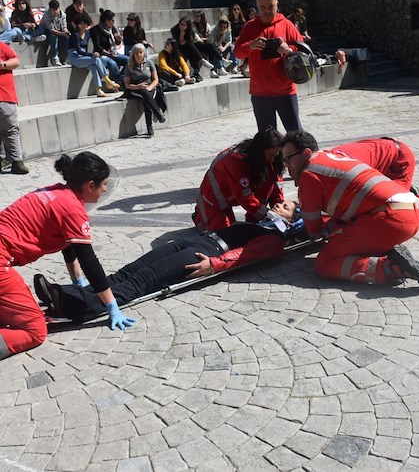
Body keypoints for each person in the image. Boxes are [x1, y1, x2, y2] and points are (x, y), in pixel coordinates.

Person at [33, 200, 303, 324]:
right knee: (127, 272)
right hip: (197, 241)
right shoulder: (260, 223)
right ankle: (71, 293)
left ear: (292, 220)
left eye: (287, 207)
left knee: (142, 282)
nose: (279, 204)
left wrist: (215, 265)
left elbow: (246, 255)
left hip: (204, 254)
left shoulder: (275, 238)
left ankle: (71, 303)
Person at [0, 152, 136, 360]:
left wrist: (78, 282)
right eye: (104, 184)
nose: (106, 189)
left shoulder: (57, 192)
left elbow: (69, 245)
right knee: (34, 330)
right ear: (90, 185)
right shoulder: (72, 209)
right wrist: (112, 306)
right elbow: (89, 261)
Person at [281, 130, 419, 291]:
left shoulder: (309, 175)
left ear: (306, 153)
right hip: (410, 212)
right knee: (347, 239)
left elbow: (315, 231)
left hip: (391, 220)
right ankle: (388, 254)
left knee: (325, 262)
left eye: (289, 159)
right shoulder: (333, 157)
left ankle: (391, 269)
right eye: (284, 161)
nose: (287, 166)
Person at [234, 0, 304, 132]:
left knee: (296, 135)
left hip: (285, 92)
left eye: (271, 6)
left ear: (277, 5)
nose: (267, 10)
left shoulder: (287, 25)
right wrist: (250, 45)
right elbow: (238, 53)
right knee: (268, 141)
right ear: (257, 7)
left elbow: (303, 52)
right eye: (263, 7)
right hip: (260, 94)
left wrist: (288, 50)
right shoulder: (249, 27)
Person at [328, 137, 419, 217]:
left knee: (395, 209)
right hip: (382, 157)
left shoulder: (343, 171)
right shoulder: (325, 162)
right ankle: (399, 187)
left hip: (398, 159)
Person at [193, 127, 285, 231]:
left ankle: (254, 220)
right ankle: (199, 216)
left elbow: (275, 186)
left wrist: (279, 209)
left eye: (276, 155)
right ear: (259, 152)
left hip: (234, 194)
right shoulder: (234, 161)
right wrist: (267, 214)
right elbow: (244, 196)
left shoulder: (270, 160)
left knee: (255, 226)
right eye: (271, 155)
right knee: (224, 233)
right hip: (214, 199)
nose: (273, 159)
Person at [68, 13, 121, 97]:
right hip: (74, 57)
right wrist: (91, 54)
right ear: (77, 24)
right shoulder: (75, 34)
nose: (83, 25)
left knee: (94, 66)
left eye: (85, 23)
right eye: (81, 23)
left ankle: (99, 90)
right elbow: (78, 51)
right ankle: (107, 81)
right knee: (96, 59)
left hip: (83, 57)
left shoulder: (87, 33)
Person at [124, 43, 166, 137]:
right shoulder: (129, 66)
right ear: (133, 55)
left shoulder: (149, 63)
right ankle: (157, 114)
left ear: (144, 53)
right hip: (135, 88)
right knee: (144, 92)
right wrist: (137, 86)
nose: (139, 55)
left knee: (147, 98)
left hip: (149, 86)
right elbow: (127, 84)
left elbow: (156, 79)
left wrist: (150, 87)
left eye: (140, 53)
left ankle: (150, 127)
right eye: (136, 53)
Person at [0, 42, 29, 175]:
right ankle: (3, 160)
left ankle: (16, 161)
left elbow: (15, 61)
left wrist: (3, 65)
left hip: (5, 95)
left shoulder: (1, 46)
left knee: (10, 129)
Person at [171, 16, 214, 82]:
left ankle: (195, 73)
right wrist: (181, 36)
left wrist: (183, 41)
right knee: (190, 47)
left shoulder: (190, 31)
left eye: (183, 25)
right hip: (178, 49)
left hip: (187, 49)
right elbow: (177, 44)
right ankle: (201, 61)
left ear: (187, 26)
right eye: (180, 24)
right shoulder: (174, 30)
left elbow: (190, 41)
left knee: (191, 52)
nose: (181, 26)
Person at [90, 9, 129, 82]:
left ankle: (120, 77)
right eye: (112, 21)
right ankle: (119, 80)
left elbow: (117, 44)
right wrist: (108, 54)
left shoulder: (112, 29)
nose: (113, 23)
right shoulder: (96, 30)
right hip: (103, 54)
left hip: (113, 53)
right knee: (113, 63)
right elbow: (97, 46)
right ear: (107, 21)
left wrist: (118, 40)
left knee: (129, 60)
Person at [192, 11, 226, 78]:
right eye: (195, 16)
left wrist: (204, 39)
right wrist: (204, 39)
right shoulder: (193, 26)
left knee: (211, 47)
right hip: (196, 44)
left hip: (205, 44)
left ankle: (213, 70)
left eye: (198, 16)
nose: (196, 18)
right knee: (210, 46)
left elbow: (210, 37)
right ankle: (221, 59)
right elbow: (196, 38)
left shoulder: (206, 25)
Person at [41, 0, 70, 66]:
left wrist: (66, 33)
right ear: (50, 9)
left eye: (57, 9)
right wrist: (62, 33)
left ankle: (68, 57)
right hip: (46, 30)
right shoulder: (47, 15)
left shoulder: (63, 15)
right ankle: (55, 58)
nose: (56, 11)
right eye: (54, 10)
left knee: (67, 38)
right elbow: (51, 30)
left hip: (58, 30)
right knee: (53, 37)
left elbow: (64, 26)